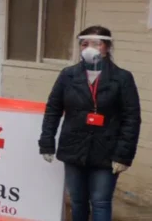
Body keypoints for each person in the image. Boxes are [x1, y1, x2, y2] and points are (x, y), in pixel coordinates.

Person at [39, 26, 140, 221]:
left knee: (100, 201)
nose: (89, 48)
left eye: (96, 43)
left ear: (107, 47)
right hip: (73, 147)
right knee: (77, 200)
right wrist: (47, 142)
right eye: (84, 44)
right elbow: (53, 109)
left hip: (107, 150)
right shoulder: (68, 75)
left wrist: (123, 155)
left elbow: (131, 118)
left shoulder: (122, 78)